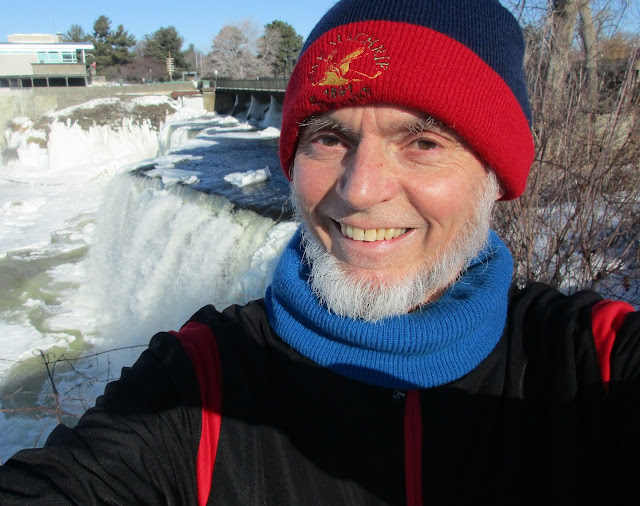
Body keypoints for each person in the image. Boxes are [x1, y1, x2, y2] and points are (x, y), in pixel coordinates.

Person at [2, 0, 639, 504]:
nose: (360, 190)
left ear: (494, 178)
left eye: (421, 141)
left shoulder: (594, 364)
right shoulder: (198, 383)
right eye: (330, 137)